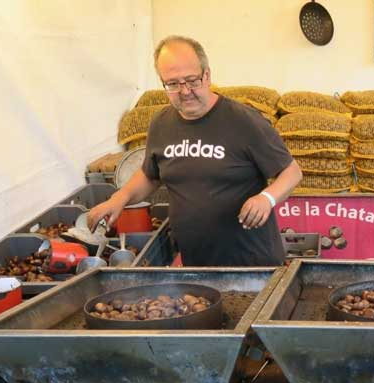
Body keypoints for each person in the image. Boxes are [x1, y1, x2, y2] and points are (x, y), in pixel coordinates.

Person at [89, 35, 302, 266]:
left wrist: (266, 198)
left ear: (207, 75)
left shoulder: (244, 121)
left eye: (191, 80)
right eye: (173, 84)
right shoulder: (161, 124)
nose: (184, 91)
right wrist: (119, 199)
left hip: (252, 264)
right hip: (196, 263)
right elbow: (151, 175)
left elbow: (292, 172)